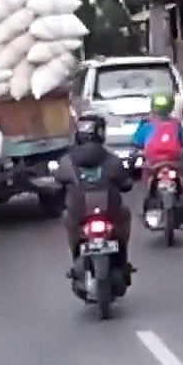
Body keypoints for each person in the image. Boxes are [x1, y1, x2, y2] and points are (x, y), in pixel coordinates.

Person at [56, 111, 134, 273]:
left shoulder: (67, 161)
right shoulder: (111, 159)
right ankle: (123, 258)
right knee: (125, 214)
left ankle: (75, 256)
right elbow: (125, 182)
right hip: (110, 212)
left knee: (68, 220)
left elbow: (58, 179)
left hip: (79, 213)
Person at [131, 91, 183, 216]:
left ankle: (147, 198)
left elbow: (136, 141)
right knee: (182, 173)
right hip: (174, 160)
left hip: (153, 162)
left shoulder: (147, 124)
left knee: (146, 174)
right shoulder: (176, 124)